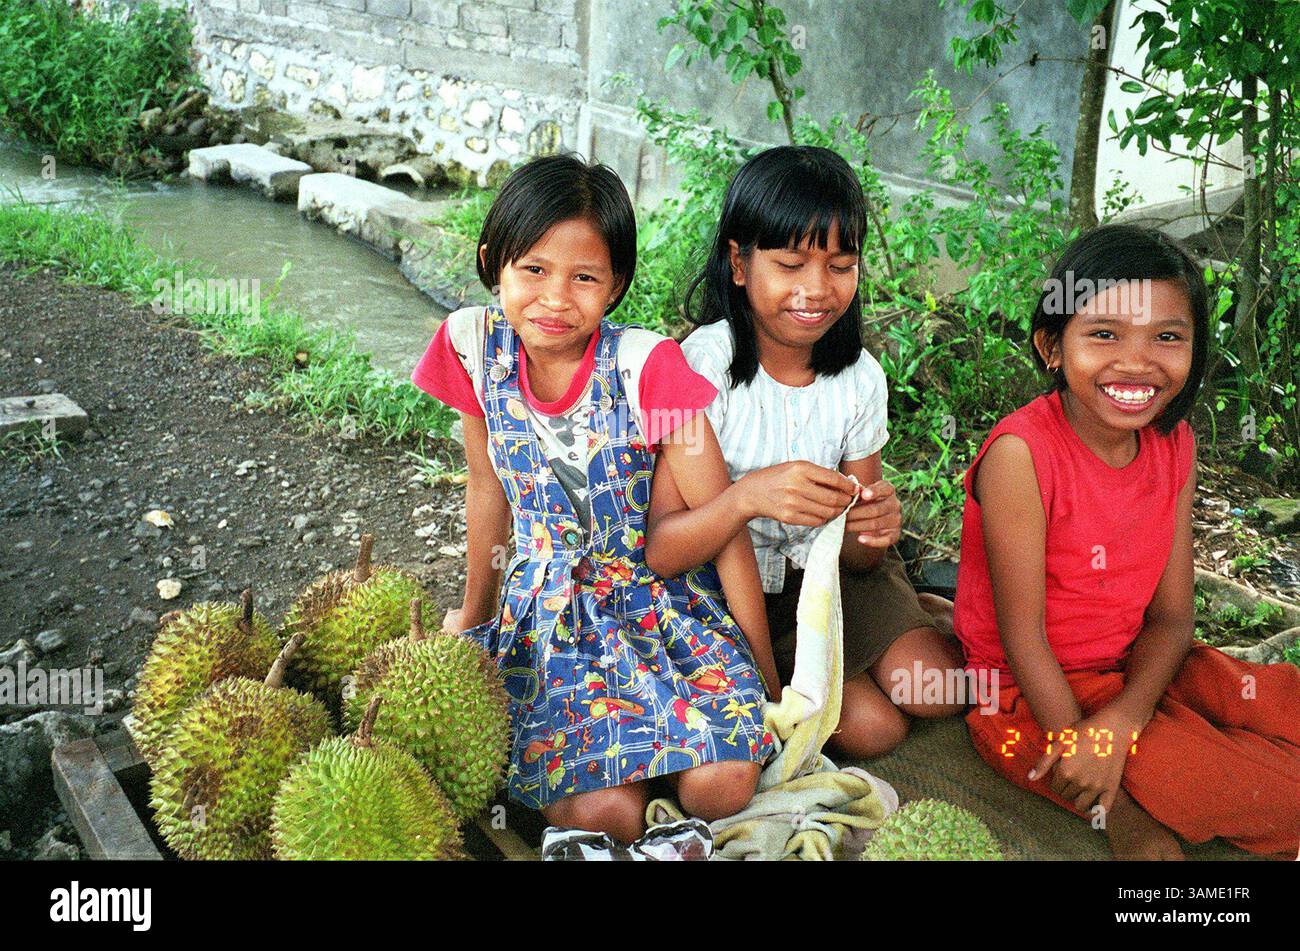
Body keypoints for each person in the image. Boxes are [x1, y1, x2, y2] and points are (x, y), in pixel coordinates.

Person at [410, 154, 773, 845]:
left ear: (617, 285)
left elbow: (724, 523)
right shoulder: (472, 346)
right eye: (533, 271)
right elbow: (488, 483)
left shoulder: (646, 366)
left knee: (720, 785)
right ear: (494, 264)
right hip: (552, 622)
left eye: (584, 278)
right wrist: (475, 615)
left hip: (663, 606)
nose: (554, 298)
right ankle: (636, 795)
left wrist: (766, 675)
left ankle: (677, 769)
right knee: (606, 812)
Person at [956, 223, 1300, 859]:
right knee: (1234, 787)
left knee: (1278, 703)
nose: (1137, 362)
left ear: (1195, 349)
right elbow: (1022, 637)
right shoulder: (1020, 455)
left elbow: (1171, 619)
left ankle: (1136, 776)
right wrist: (1086, 742)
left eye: (1167, 337)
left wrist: (1123, 719)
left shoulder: (1175, 446)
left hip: (1141, 667)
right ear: (1052, 346)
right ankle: (1120, 808)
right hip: (1028, 693)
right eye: (1104, 334)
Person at [646, 145, 965, 762]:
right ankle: (845, 652)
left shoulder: (860, 379)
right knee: (876, 730)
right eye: (790, 264)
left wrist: (872, 532)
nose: (816, 289)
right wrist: (746, 498)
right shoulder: (699, 368)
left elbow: (858, 557)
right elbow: (661, 548)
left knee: (938, 690)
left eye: (840, 265)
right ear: (739, 263)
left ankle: (924, 607)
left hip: (828, 582)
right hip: (727, 590)